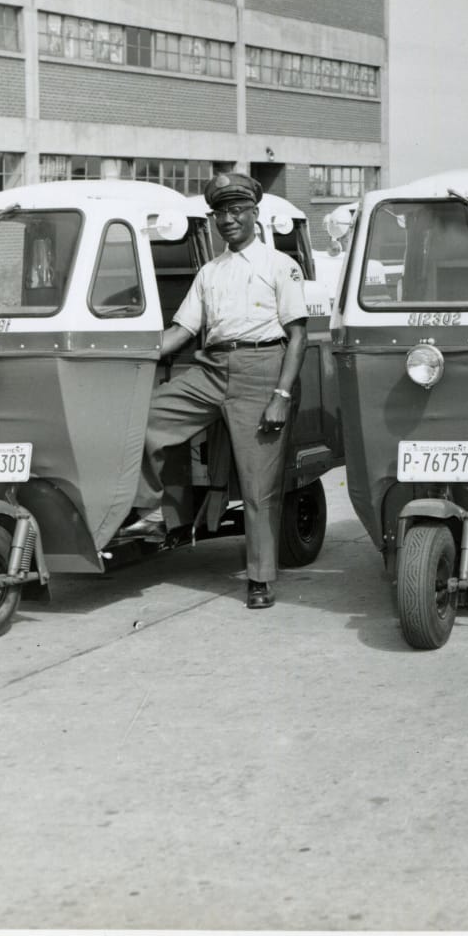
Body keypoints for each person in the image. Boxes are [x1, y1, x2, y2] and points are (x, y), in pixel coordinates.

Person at [129, 172, 309, 609]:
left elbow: (298, 336)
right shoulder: (210, 273)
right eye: (219, 214)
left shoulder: (279, 266)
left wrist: (281, 396)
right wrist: (134, 353)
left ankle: (261, 578)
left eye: (236, 211)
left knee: (257, 483)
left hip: (263, 368)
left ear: (253, 214)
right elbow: (181, 330)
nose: (227, 220)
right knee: (143, 420)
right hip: (211, 367)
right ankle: (147, 512)